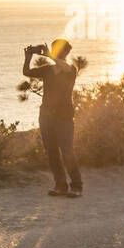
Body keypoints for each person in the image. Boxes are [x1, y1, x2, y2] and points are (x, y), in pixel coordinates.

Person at [23, 38, 83, 198]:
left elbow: (62, 65)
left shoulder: (71, 69)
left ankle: (77, 186)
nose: (57, 52)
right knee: (51, 152)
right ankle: (60, 185)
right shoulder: (48, 70)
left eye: (59, 50)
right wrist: (28, 56)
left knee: (67, 152)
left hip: (64, 116)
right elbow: (26, 72)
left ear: (66, 52)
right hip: (46, 115)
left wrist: (49, 54)